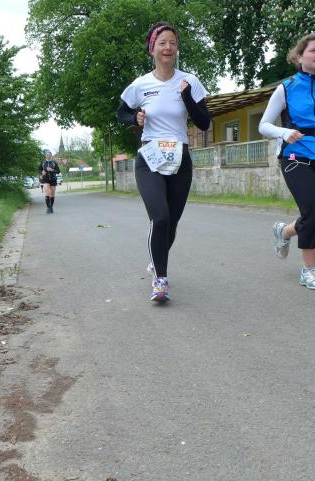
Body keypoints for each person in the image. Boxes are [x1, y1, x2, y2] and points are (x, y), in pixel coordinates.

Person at [116, 21, 211, 302]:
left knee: (171, 223)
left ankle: (156, 259)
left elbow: (204, 123)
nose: (168, 47)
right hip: (150, 157)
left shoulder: (190, 81)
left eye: (172, 43)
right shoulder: (140, 84)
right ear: (152, 49)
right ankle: (160, 280)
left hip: (180, 158)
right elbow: (121, 113)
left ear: (177, 48)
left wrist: (187, 97)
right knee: (160, 217)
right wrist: (135, 118)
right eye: (162, 43)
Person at [259, 33, 315, 290]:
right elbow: (264, 125)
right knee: (313, 211)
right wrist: (284, 132)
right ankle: (309, 271)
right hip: (295, 155)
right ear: (299, 57)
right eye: (313, 50)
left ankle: (285, 231)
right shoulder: (286, 88)